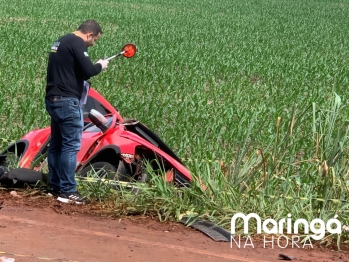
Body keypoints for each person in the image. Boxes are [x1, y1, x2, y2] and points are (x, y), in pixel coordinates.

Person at [45, 19, 109, 204]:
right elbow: (88, 70)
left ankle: (55, 186)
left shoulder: (61, 41)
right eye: (95, 40)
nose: (93, 43)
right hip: (67, 101)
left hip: (53, 99)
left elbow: (72, 70)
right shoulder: (77, 42)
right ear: (89, 34)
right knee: (70, 146)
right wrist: (100, 66)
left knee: (57, 144)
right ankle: (67, 190)